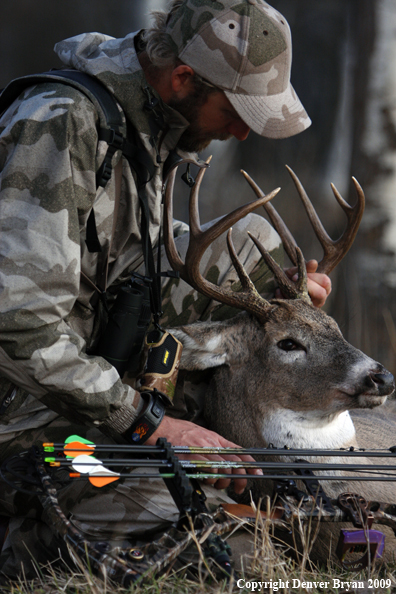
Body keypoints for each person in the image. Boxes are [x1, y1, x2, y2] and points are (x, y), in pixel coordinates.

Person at [0, 0, 331, 580]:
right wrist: (150, 424)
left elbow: (119, 249)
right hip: (24, 429)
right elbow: (18, 322)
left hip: (90, 378)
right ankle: (37, 527)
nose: (243, 132)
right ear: (183, 78)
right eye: (236, 111)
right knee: (174, 505)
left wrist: (281, 298)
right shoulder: (60, 125)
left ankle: (238, 454)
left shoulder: (147, 127)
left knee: (258, 251)